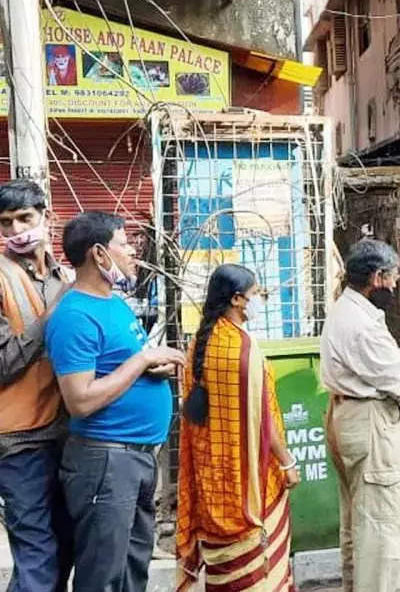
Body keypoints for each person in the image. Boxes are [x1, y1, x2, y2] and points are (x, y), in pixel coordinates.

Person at [46, 212, 187, 592]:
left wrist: (151, 366)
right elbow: (80, 400)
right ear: (98, 254)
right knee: (103, 575)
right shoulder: (75, 315)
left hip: (136, 457)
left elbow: (120, 367)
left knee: (132, 570)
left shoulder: (115, 304)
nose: (131, 254)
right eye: (124, 244)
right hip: (106, 461)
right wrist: (141, 360)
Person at [176, 264, 301, 591]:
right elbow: (263, 423)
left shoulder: (200, 344)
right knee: (260, 577)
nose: (260, 299)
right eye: (256, 294)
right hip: (247, 486)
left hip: (212, 484)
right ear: (237, 300)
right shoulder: (242, 351)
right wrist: (287, 462)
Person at [321, 239, 400, 591]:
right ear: (376, 276)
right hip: (368, 424)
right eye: (394, 277)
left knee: (358, 522)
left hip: (348, 418)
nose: (397, 284)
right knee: (381, 529)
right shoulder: (362, 324)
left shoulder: (346, 309)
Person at [0, 180, 73, 592]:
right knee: (37, 554)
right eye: (5, 223)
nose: (15, 230)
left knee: (62, 550)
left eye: (24, 218)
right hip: (20, 440)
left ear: (47, 216)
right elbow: (3, 362)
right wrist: (51, 316)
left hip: (66, 433)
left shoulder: (64, 277)